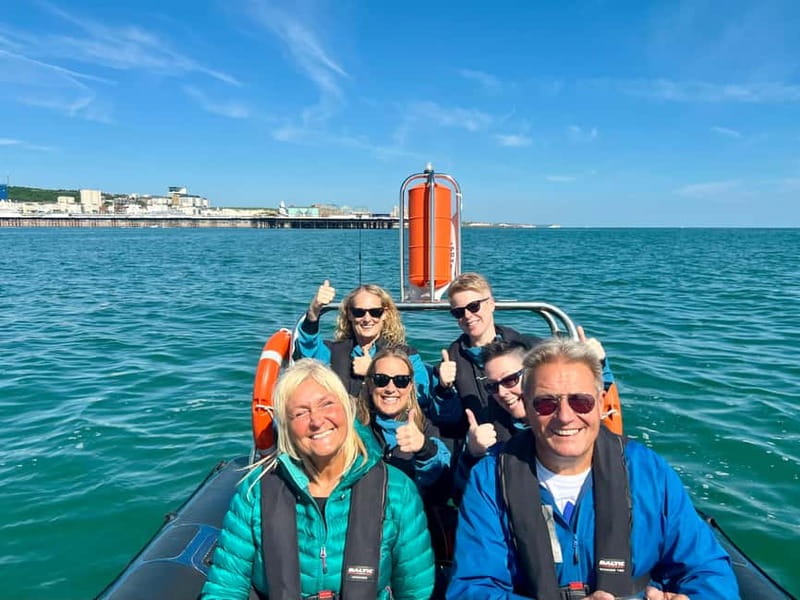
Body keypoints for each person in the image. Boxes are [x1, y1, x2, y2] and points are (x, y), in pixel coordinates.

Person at [447, 338, 739, 600]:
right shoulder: (490, 478)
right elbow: (472, 588)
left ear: (600, 405)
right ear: (528, 409)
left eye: (581, 401)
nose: (565, 416)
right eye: (546, 404)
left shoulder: (648, 471)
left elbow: (707, 570)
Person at [201, 359, 435, 600]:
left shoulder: (397, 490)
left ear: (347, 408)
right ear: (286, 427)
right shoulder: (255, 492)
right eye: (301, 413)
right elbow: (224, 589)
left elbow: (415, 591)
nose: (316, 420)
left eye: (327, 404)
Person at [435, 272, 613, 443]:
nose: (467, 316)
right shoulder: (449, 363)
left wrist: (597, 363)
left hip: (541, 437)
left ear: (491, 304)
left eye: (474, 306)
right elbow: (448, 423)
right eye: (458, 312)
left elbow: (581, 391)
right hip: (487, 446)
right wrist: (444, 390)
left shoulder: (532, 348)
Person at [294, 280, 446, 420]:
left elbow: (420, 396)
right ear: (349, 315)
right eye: (359, 312)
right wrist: (313, 312)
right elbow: (308, 352)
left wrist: (373, 372)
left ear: (385, 314)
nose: (367, 319)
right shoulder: (334, 352)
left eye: (375, 312)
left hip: (389, 430)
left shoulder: (406, 355)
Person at [357, 347, 452, 502]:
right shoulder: (354, 427)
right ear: (369, 384)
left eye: (401, 381)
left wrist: (424, 449)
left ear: (410, 386)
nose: (390, 389)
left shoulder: (424, 428)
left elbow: (442, 483)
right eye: (381, 379)